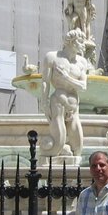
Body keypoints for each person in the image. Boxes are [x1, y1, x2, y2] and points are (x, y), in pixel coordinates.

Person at [40, 29, 89, 157]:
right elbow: (45, 81)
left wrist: (66, 78)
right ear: (71, 42)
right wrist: (44, 103)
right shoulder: (52, 57)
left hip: (74, 104)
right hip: (58, 100)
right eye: (81, 41)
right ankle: (53, 152)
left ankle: (72, 159)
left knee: (78, 145)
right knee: (59, 138)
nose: (84, 44)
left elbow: (83, 86)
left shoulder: (82, 62)